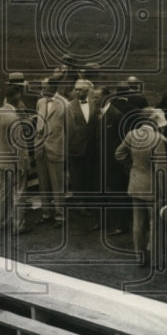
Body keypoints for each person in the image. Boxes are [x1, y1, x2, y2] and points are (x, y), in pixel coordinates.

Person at [115, 107, 167, 267]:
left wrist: (131, 166)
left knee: (138, 224)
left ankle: (140, 258)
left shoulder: (132, 135)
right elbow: (160, 168)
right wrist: (163, 191)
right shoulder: (158, 139)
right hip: (152, 187)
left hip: (135, 183)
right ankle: (156, 261)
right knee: (155, 224)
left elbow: (119, 154)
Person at [0, 85, 31, 234]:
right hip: (15, 162)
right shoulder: (14, 118)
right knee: (19, 194)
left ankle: (2, 222)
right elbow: (20, 145)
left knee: (4, 193)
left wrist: (0, 153)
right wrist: (22, 164)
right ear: (18, 98)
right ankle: (19, 226)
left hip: (2, 160)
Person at [94, 84, 129, 238]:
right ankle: (103, 222)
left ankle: (121, 225)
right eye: (93, 97)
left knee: (117, 193)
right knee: (101, 192)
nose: (94, 100)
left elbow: (123, 140)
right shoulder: (97, 113)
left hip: (114, 164)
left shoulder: (116, 115)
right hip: (100, 162)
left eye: (97, 97)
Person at [34, 77, 69, 227]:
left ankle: (60, 216)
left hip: (56, 149)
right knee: (43, 184)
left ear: (53, 87)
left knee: (57, 186)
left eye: (45, 87)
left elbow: (69, 130)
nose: (42, 90)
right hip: (40, 149)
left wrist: (64, 149)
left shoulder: (65, 104)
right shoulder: (40, 102)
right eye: (41, 87)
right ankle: (46, 213)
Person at [66, 78, 99, 230]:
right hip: (76, 147)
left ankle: (90, 203)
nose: (77, 91)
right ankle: (79, 205)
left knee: (91, 175)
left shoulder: (95, 103)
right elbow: (66, 129)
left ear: (87, 91)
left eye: (80, 89)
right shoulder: (69, 106)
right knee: (77, 176)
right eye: (76, 89)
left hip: (92, 147)